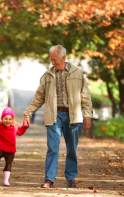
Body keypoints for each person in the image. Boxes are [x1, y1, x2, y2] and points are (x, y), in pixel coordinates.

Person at [23, 45, 92, 189]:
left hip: (72, 115)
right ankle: (49, 179)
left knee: (72, 148)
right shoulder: (48, 75)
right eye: (51, 60)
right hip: (54, 115)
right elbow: (39, 97)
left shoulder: (77, 73)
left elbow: (85, 95)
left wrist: (88, 115)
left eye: (54, 60)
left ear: (63, 57)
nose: (52, 63)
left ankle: (71, 178)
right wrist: (28, 111)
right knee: (52, 148)